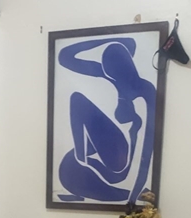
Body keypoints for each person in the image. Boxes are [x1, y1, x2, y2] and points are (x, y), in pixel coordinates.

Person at [57, 37, 156, 203]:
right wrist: (114, 39)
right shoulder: (110, 77)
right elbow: (65, 57)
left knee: (78, 99)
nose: (106, 76)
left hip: (121, 167)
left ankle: (83, 162)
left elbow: (146, 148)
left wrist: (132, 198)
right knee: (69, 164)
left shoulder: (144, 90)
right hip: (108, 157)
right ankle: (82, 164)